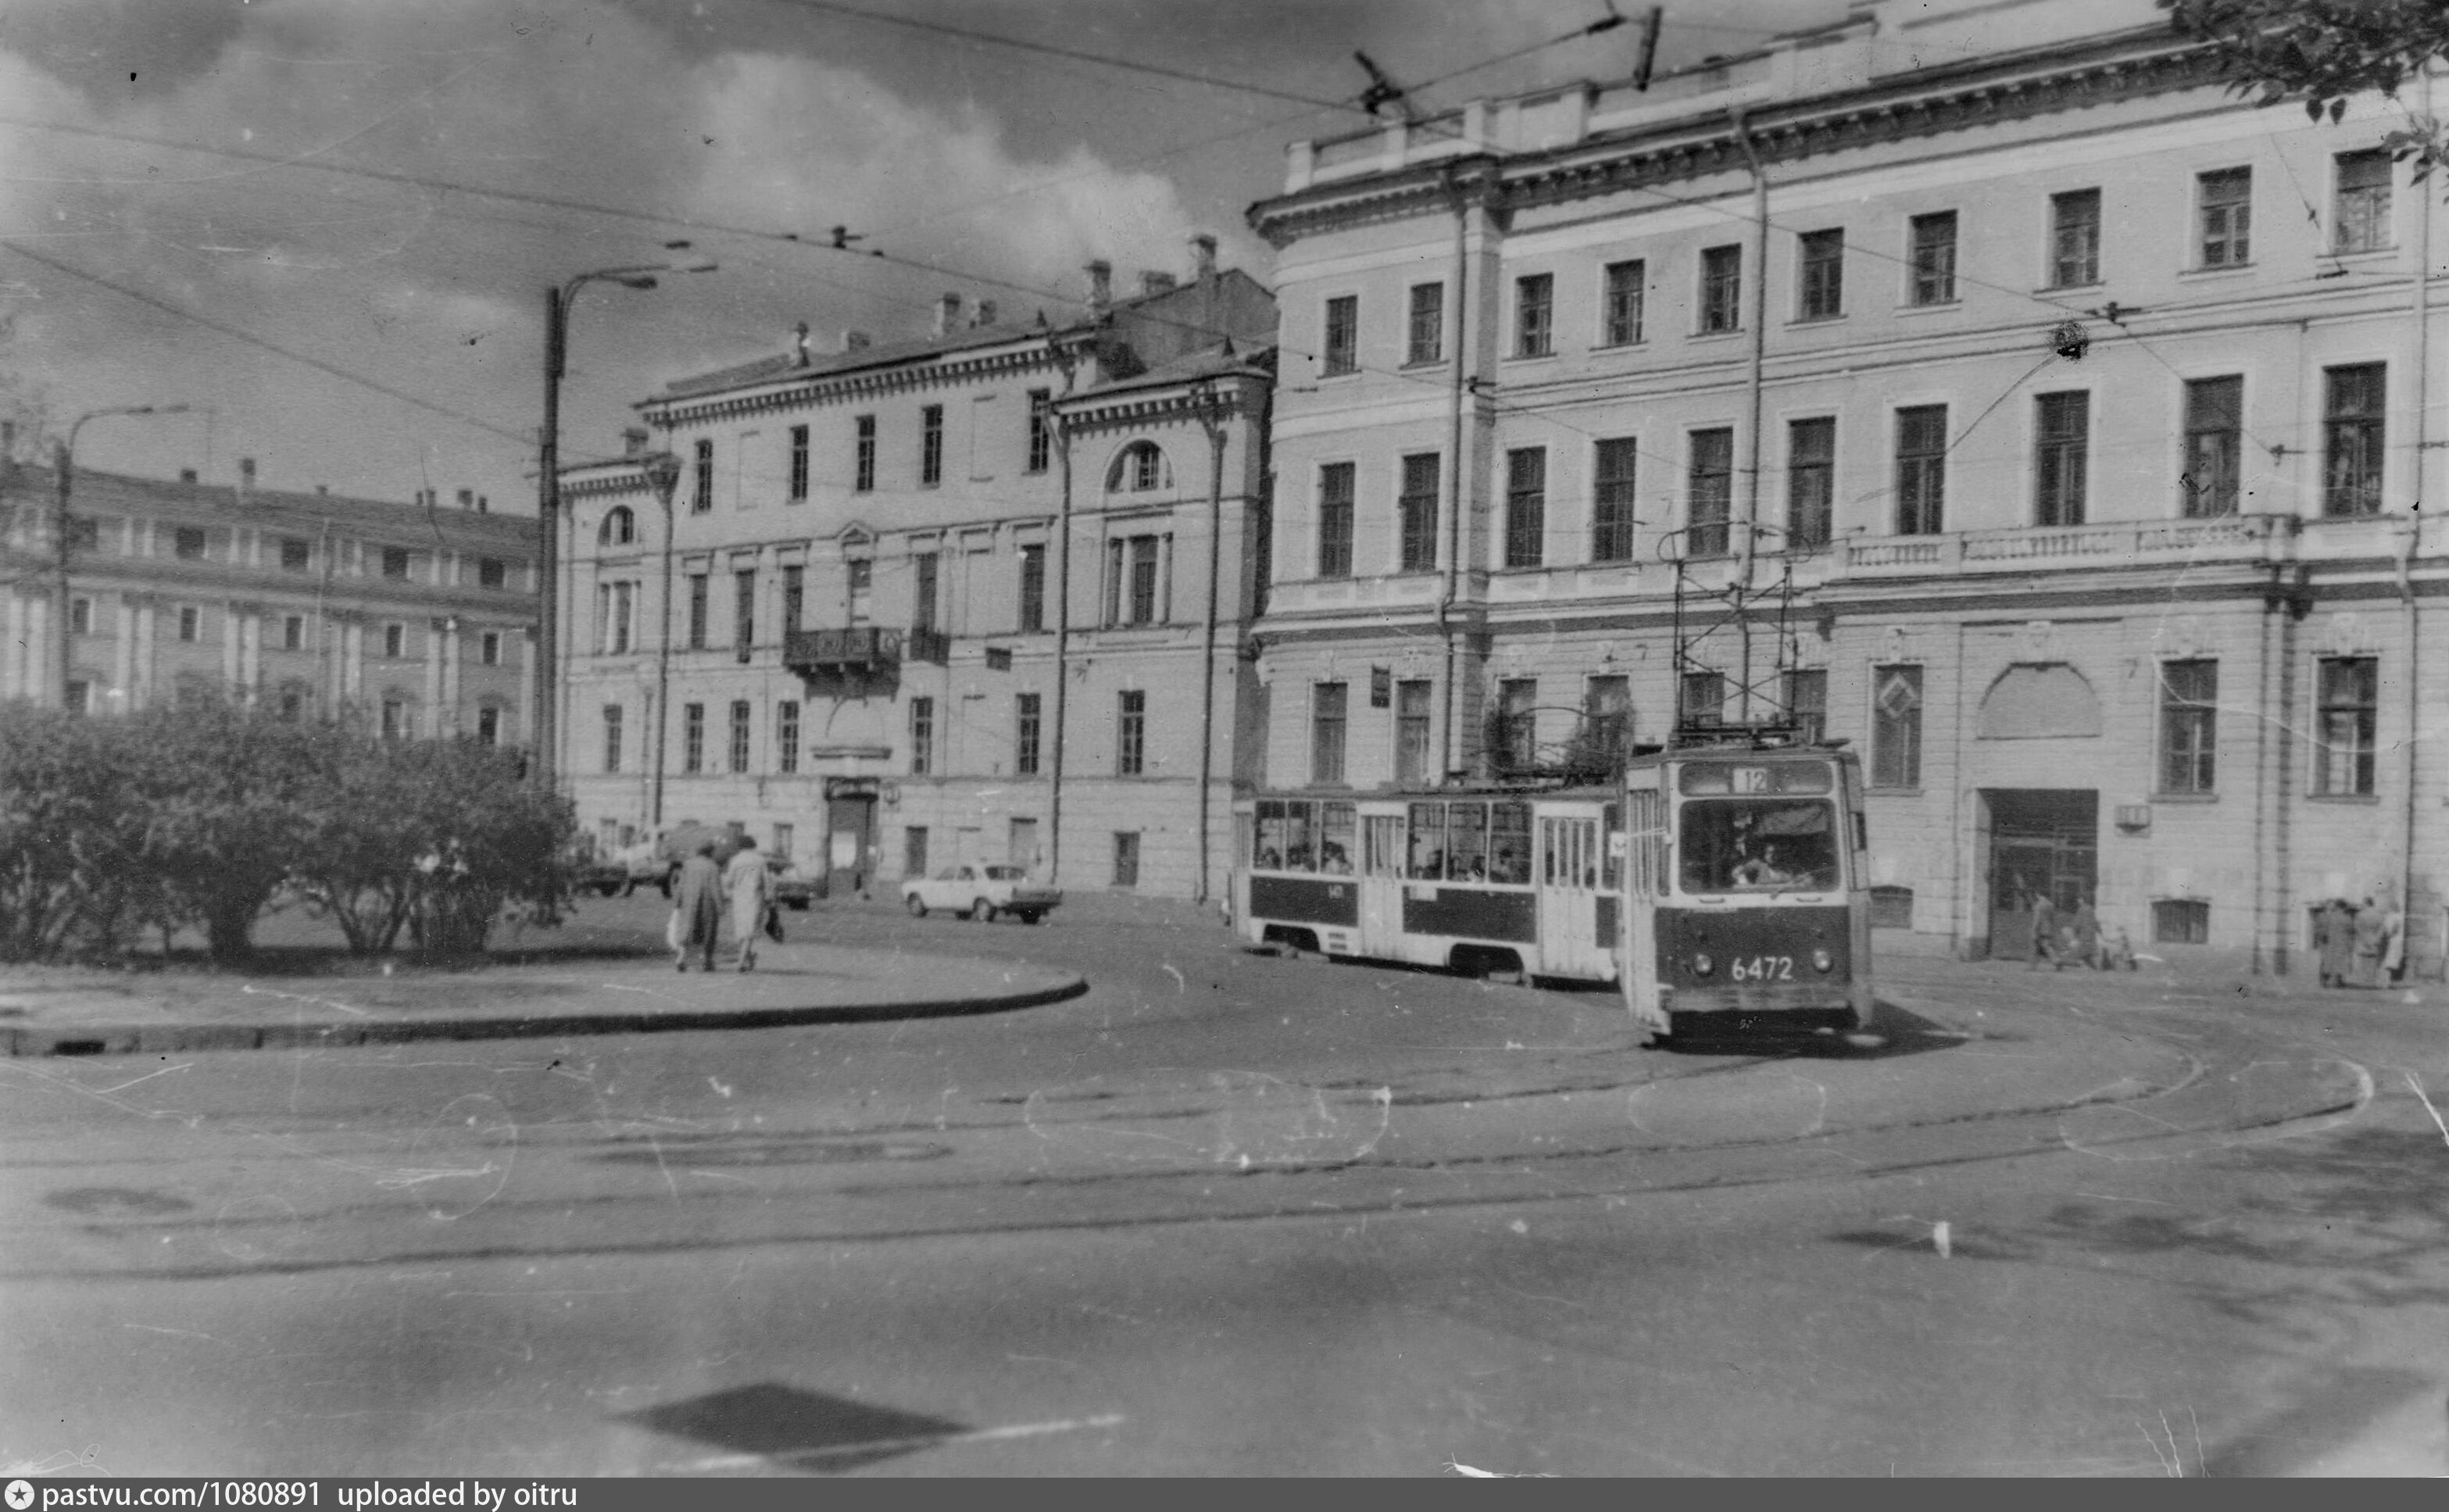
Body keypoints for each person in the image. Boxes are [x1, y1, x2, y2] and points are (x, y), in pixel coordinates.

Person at [724, 835, 776, 973]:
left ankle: (744, 960)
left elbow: (729, 881)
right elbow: (767, 881)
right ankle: (746, 959)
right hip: (755, 897)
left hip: (739, 898)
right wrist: (770, 898)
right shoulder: (760, 860)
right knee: (750, 930)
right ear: (753, 845)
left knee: (741, 931)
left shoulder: (735, 860)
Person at [671, 842, 724, 973]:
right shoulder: (713, 866)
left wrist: (677, 901)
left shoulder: (688, 864)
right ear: (710, 852)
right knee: (708, 930)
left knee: (686, 929)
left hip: (689, 901)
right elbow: (715, 888)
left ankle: (681, 958)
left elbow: (681, 884)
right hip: (708, 901)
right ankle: (707, 960)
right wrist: (720, 905)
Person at [2350, 895, 2387, 988]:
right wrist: (2376, 940)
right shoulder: (2379, 915)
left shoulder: (2360, 915)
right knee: (2373, 962)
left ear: (2366, 904)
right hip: (2374, 941)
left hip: (2363, 941)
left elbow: (2357, 928)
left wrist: (2365, 940)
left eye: (2363, 903)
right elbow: (2382, 929)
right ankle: (2371, 982)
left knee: (2362, 962)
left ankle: (2362, 982)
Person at [2317, 897, 2354, 988]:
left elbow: (2324, 930)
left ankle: (2325, 981)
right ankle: (2339, 981)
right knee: (2341, 962)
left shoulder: (2330, 916)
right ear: (2343, 907)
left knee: (2329, 962)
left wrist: (2325, 938)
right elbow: (2351, 929)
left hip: (2331, 942)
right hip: (2342, 942)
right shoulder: (2347, 917)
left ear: (2337, 907)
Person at [2029, 890, 2061, 970]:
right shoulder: (2051, 905)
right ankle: (2033, 966)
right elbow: (2053, 919)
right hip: (2049, 929)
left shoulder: (2038, 906)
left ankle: (2056, 962)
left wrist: (2034, 931)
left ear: (2038, 895)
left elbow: (2037, 920)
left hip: (2040, 930)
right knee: (2043, 947)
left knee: (2039, 947)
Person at [2068, 896, 2101, 970]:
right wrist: (2099, 931)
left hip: (2083, 935)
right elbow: (2095, 921)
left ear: (2082, 900)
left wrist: (2074, 932)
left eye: (2079, 900)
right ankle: (2095, 968)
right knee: (2087, 953)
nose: (2078, 902)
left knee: (2082, 953)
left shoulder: (2081, 910)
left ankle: (2082, 966)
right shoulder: (2091, 909)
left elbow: (2077, 923)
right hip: (2091, 934)